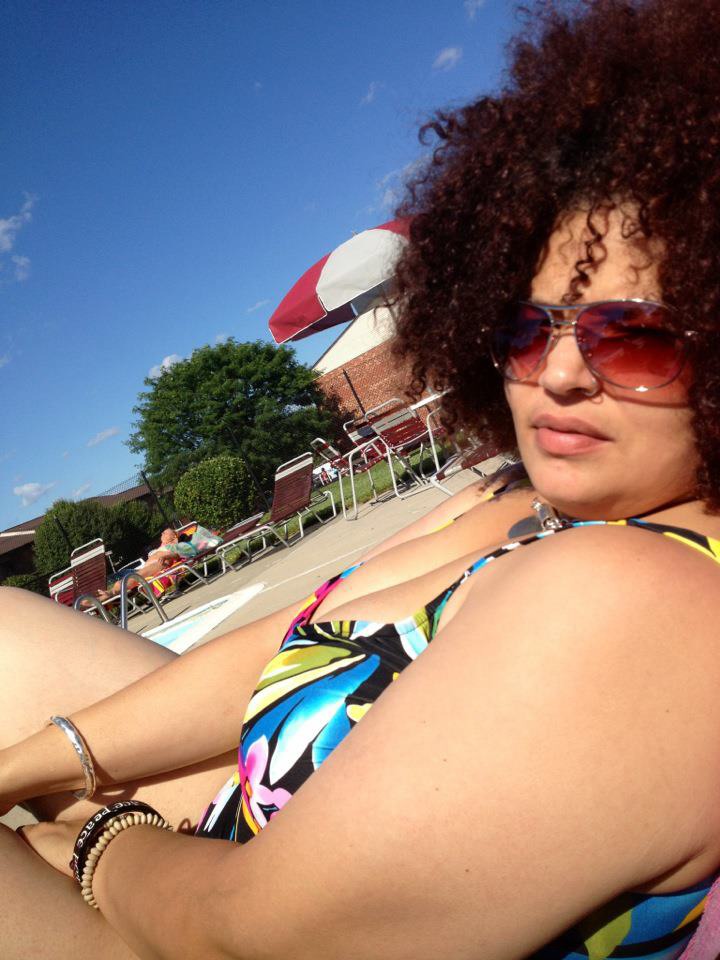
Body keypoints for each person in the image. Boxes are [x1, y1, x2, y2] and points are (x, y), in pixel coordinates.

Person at [3, 1, 720, 957]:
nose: (555, 373)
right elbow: (278, 647)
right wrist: (21, 768)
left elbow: (250, 939)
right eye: (526, 327)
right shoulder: (517, 506)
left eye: (631, 336)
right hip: (239, 821)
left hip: (216, 912)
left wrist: (96, 844)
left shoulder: (641, 604)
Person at [97, 528, 197, 601]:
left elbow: (176, 554)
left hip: (160, 564)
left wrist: (166, 557)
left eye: (165, 532)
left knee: (129, 579)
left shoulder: (175, 544)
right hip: (147, 566)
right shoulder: (164, 545)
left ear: (174, 536)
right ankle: (98, 597)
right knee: (117, 576)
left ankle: (109, 594)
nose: (162, 533)